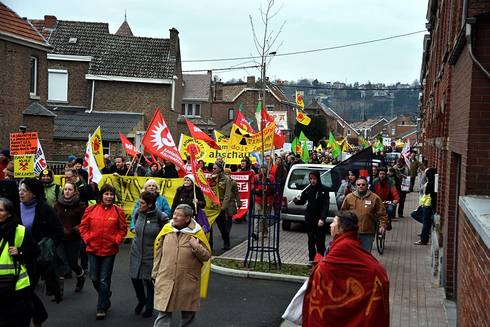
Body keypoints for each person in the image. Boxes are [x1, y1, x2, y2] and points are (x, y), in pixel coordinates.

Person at [302, 211, 389, 326]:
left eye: (333, 222)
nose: (330, 225)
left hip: (373, 284)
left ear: (341, 229)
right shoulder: (348, 242)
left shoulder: (344, 246)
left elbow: (324, 269)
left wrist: (318, 263)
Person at [152, 204, 211, 327]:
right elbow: (158, 253)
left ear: (188, 218)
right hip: (166, 276)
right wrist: (155, 272)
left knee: (188, 315)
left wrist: (196, 246)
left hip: (187, 281)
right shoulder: (167, 229)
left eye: (179, 215)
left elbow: (206, 256)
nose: (175, 217)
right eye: (174, 214)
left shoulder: (197, 232)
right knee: (163, 313)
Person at [19, 178, 63, 325]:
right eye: (20, 190)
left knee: (26, 290)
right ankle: (40, 315)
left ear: (34, 193)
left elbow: (58, 232)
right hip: (18, 255)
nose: (21, 193)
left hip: (36, 258)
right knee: (24, 292)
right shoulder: (14, 208)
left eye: (24, 190)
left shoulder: (45, 209)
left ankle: (32, 318)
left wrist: (47, 245)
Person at [79, 184, 127, 320]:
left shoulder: (118, 211)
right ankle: (105, 295)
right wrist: (88, 239)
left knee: (104, 279)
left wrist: (115, 241)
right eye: (106, 194)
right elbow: (83, 227)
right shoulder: (91, 209)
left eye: (111, 194)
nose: (109, 197)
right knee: (94, 278)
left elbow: (122, 229)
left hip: (109, 251)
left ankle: (101, 308)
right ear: (101, 195)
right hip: (93, 249)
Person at [0, 197, 38, 327]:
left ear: (9, 213)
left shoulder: (20, 231)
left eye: (0, 210)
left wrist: (20, 251)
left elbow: (34, 251)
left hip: (17, 286)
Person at [129, 192, 168, 318]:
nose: (139, 205)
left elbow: (166, 234)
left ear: (150, 204)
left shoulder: (160, 216)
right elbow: (135, 225)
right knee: (135, 278)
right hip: (136, 251)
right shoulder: (137, 212)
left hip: (151, 254)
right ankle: (141, 300)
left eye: (142, 203)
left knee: (149, 281)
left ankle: (149, 307)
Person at [53, 181, 87, 291]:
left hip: (73, 238)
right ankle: (59, 290)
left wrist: (74, 228)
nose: (67, 192)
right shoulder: (57, 204)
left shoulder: (81, 206)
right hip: (60, 238)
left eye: (70, 189)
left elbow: (84, 222)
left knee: (73, 264)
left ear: (74, 191)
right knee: (61, 263)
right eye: (66, 189)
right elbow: (53, 219)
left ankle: (81, 276)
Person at [341, 176, 388, 252]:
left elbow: (382, 214)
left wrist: (383, 225)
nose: (361, 186)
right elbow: (343, 213)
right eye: (359, 185)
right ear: (356, 186)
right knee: (353, 254)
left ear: (367, 185)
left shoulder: (375, 198)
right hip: (352, 232)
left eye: (363, 184)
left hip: (368, 232)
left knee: (365, 255)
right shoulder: (349, 197)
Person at [293, 170, 329, 264]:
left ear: (318, 179)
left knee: (320, 241)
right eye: (311, 179)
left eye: (314, 179)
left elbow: (326, 206)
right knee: (311, 240)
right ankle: (311, 259)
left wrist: (322, 218)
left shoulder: (324, 190)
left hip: (319, 219)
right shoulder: (307, 189)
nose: (312, 181)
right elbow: (303, 201)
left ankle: (321, 259)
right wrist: (297, 201)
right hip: (309, 218)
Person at [211, 162, 236, 250]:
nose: (213, 170)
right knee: (209, 226)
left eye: (215, 168)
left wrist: (223, 207)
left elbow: (227, 194)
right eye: (213, 168)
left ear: (220, 169)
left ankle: (226, 242)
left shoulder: (226, 179)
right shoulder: (210, 178)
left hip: (220, 204)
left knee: (222, 226)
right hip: (212, 205)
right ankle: (210, 244)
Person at [413, 168, 437, 245]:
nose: (426, 177)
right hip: (424, 204)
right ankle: (427, 229)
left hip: (428, 206)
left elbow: (429, 195)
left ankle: (423, 240)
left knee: (426, 223)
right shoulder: (429, 183)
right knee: (414, 214)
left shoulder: (432, 184)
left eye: (427, 175)